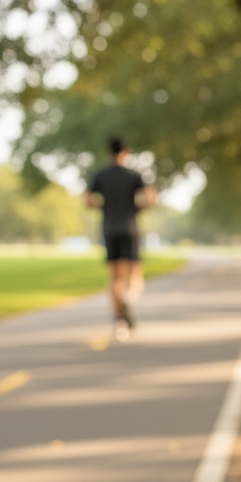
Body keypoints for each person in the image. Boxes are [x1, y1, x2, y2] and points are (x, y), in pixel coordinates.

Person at [85, 137, 157, 338]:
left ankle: (119, 322)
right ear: (126, 153)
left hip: (109, 229)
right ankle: (128, 298)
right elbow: (150, 196)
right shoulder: (133, 175)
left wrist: (104, 207)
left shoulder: (101, 175)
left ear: (109, 153)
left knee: (115, 278)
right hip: (129, 228)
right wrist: (138, 207)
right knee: (135, 274)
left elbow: (87, 200)